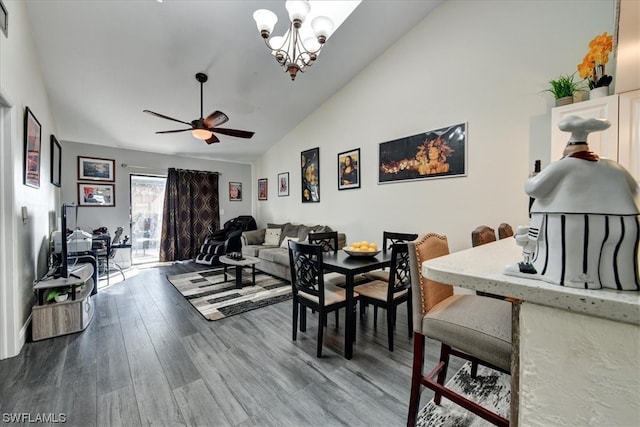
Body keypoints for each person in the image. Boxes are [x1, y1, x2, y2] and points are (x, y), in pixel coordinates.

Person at [510, 115, 639, 290]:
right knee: (618, 266)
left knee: (575, 265)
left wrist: (533, 177)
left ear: (568, 149)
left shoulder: (563, 165)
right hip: (625, 223)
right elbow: (635, 189)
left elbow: (533, 188)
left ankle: (576, 279)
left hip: (573, 224)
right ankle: (621, 281)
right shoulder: (614, 166)